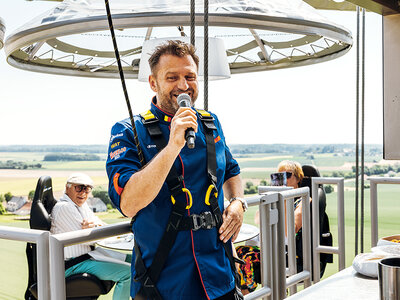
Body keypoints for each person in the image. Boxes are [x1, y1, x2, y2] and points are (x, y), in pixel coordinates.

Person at [106, 40, 246, 300]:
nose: (183, 86)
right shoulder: (128, 131)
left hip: (218, 277)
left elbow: (231, 169)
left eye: (190, 77)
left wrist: (237, 202)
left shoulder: (209, 123)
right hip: (165, 283)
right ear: (153, 83)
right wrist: (172, 147)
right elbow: (128, 203)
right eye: (172, 77)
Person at [50, 173, 131, 300]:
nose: (83, 192)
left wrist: (95, 226)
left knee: (136, 260)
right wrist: (96, 229)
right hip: (73, 264)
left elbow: (101, 226)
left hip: (88, 257)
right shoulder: (64, 207)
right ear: (67, 188)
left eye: (87, 188)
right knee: (128, 274)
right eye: (79, 187)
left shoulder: (81, 205)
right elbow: (93, 238)